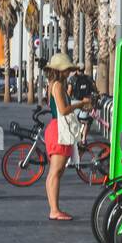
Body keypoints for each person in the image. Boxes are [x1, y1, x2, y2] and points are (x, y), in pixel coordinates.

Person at [43, 53, 90, 222]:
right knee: (56, 172)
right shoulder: (57, 85)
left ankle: (53, 208)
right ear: (61, 70)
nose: (70, 72)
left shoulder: (53, 85)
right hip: (59, 130)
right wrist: (81, 104)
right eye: (68, 69)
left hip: (56, 128)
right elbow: (63, 110)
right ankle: (54, 210)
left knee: (54, 172)